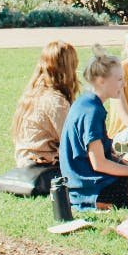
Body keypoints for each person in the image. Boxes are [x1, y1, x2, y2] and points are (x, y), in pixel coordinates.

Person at [59, 50, 128, 209]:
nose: (124, 84)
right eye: (120, 79)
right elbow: (99, 163)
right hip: (91, 188)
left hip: (84, 183)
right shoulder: (91, 112)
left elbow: (105, 149)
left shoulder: (86, 102)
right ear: (101, 81)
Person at [10, 41, 80, 171]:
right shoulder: (55, 102)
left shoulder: (34, 92)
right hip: (41, 163)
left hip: (25, 160)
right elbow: (74, 143)